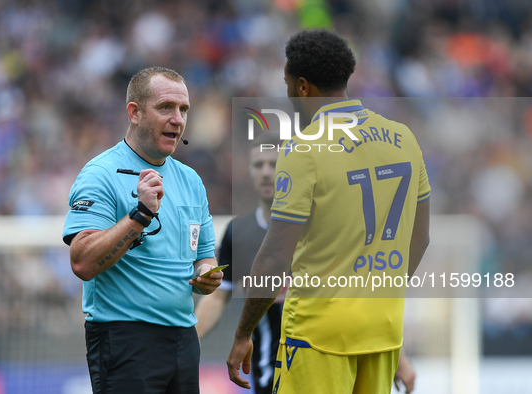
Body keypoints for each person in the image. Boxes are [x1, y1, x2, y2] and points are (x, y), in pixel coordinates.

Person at [226, 29, 430, 394]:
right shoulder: (404, 139)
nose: (287, 94)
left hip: (317, 335)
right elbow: (422, 237)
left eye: (287, 83)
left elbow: (274, 257)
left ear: (303, 87)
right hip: (382, 330)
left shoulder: (303, 149)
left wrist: (243, 333)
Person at [62, 66, 223, 394]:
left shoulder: (191, 180)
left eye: (184, 110)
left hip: (183, 338)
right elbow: (82, 262)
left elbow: (204, 257)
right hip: (124, 339)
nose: (178, 119)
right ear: (134, 113)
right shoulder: (100, 174)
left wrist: (208, 275)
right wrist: (140, 214)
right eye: (166, 107)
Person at [195, 132, 284, 394]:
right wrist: (189, 343)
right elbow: (218, 297)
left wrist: (398, 357)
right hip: (267, 373)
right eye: (259, 165)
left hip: (321, 367)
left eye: (275, 164)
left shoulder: (318, 229)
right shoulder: (239, 232)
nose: (266, 172)